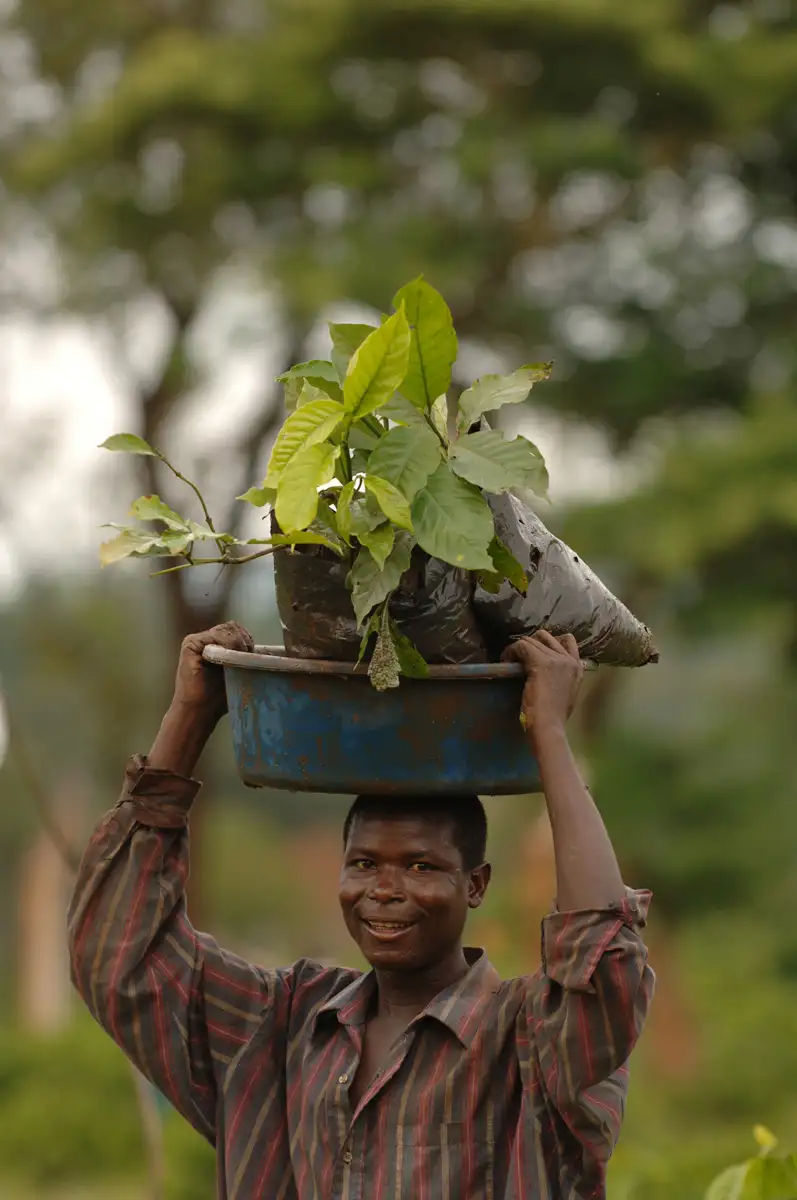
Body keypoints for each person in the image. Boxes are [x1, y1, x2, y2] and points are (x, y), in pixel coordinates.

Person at [68, 621, 654, 1200]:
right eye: (365, 864)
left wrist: (547, 730)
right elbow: (118, 955)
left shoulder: (531, 1042)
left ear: (475, 884)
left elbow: (604, 968)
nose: (385, 889)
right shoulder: (284, 1027)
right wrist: (189, 718)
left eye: (421, 867)